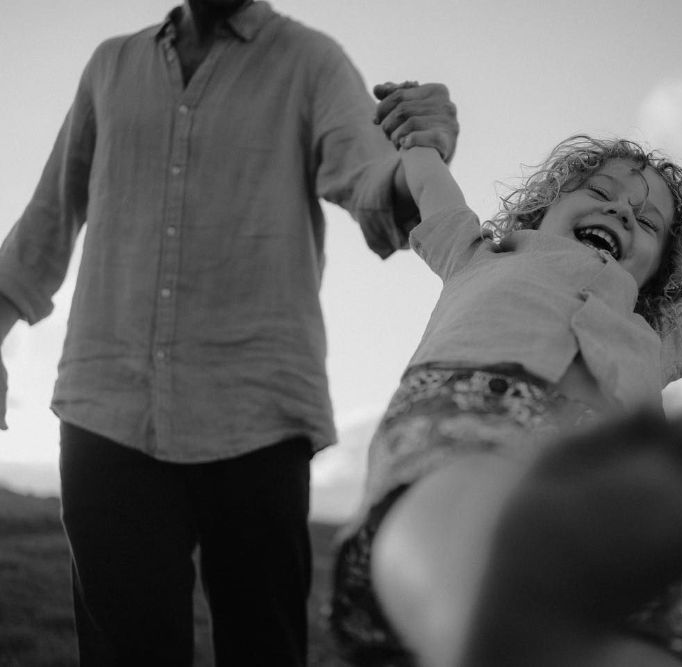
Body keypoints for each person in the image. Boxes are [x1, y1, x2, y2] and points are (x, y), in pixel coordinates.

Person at [0, 1, 458, 665]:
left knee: (263, 649)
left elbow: (374, 185)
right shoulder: (112, 65)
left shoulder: (312, 61)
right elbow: (49, 216)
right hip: (106, 407)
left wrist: (424, 149)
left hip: (258, 415)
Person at [329, 129, 682, 667]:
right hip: (470, 405)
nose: (623, 213)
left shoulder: (655, 335)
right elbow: (431, 186)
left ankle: (548, 631)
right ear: (542, 209)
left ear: (659, 271)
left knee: (659, 619)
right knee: (452, 500)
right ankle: (481, 613)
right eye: (599, 192)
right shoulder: (478, 253)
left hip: (606, 467)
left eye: (649, 221)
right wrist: (418, 141)